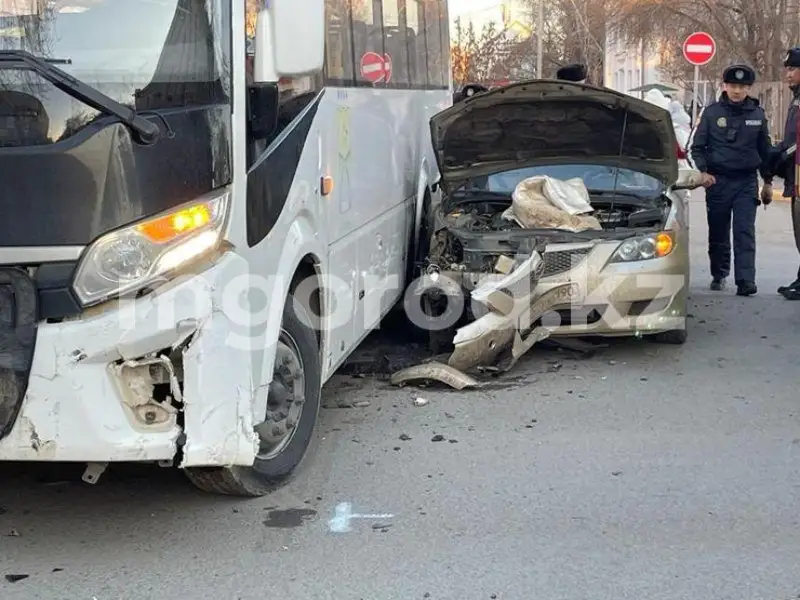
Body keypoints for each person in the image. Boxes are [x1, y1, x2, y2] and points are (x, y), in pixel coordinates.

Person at [688, 64, 774, 296]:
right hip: (718, 181)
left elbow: (765, 151)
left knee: (744, 231)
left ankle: (746, 280)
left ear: (749, 88)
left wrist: (767, 181)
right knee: (718, 231)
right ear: (724, 86)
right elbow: (697, 147)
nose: (737, 91)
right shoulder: (711, 113)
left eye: (742, 87)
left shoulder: (757, 114)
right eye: (733, 85)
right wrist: (703, 172)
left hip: (746, 181)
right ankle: (719, 272)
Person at [773, 47, 800, 300]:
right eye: (787, 69)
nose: (788, 74)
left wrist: (779, 156)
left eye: (793, 69)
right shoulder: (796, 97)